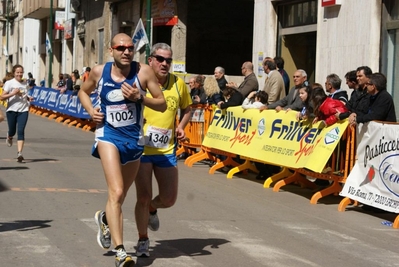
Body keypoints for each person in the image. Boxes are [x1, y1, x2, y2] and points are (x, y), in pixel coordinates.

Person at [78, 33, 166, 267]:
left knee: (121, 194)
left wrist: (141, 97)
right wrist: (90, 111)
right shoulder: (99, 72)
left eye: (130, 48)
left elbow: (162, 102)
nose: (126, 51)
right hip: (108, 134)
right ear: (111, 50)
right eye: (121, 48)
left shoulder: (144, 72)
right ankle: (120, 252)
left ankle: (105, 218)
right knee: (116, 192)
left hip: (133, 139)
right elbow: (82, 92)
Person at [134, 43, 192, 257]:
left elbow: (187, 108)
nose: (165, 63)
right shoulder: (140, 82)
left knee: (169, 199)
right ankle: (142, 239)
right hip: (141, 148)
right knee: (143, 195)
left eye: (169, 60)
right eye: (160, 59)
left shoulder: (178, 84)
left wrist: (181, 126)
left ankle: (151, 209)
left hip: (165, 149)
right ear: (151, 60)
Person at [0, 64, 34, 163]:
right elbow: (2, 97)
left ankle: (19, 153)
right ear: (14, 73)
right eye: (17, 72)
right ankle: (9, 136)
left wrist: (29, 98)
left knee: (21, 130)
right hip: (11, 109)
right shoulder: (9, 83)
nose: (19, 74)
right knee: (12, 130)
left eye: (21, 72)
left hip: (23, 110)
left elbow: (25, 94)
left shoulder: (25, 83)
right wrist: (13, 93)